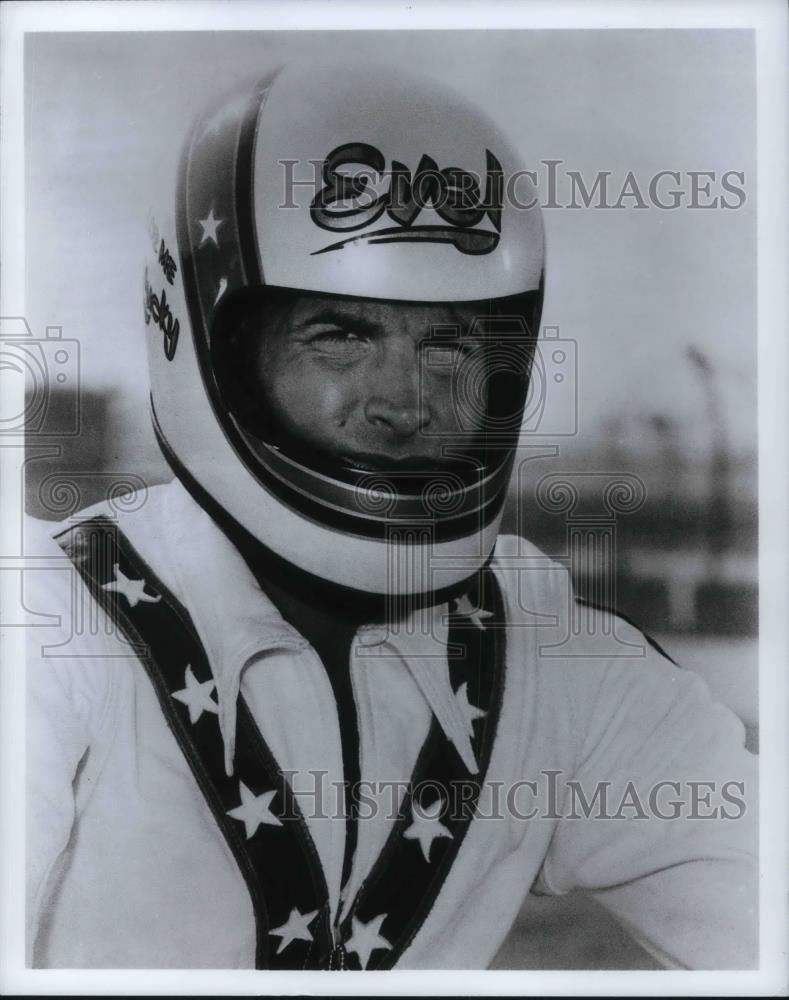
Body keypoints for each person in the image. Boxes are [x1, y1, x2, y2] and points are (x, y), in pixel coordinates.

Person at [25, 61, 757, 971]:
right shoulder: (54, 622)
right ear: (209, 343)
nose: (405, 401)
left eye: (449, 342)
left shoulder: (547, 651)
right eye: (339, 334)